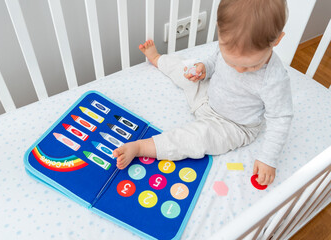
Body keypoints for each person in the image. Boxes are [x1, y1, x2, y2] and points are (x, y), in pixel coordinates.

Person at [113, 0, 293, 186]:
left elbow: (281, 118)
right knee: (186, 69)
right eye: (231, 62)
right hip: (209, 97)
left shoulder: (275, 79)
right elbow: (214, 60)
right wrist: (205, 68)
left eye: (250, 66)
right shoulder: (229, 40)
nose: (239, 70)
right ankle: (159, 59)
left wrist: (267, 159)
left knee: (197, 139)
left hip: (234, 125)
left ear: (277, 40)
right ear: (220, 32)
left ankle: (142, 146)